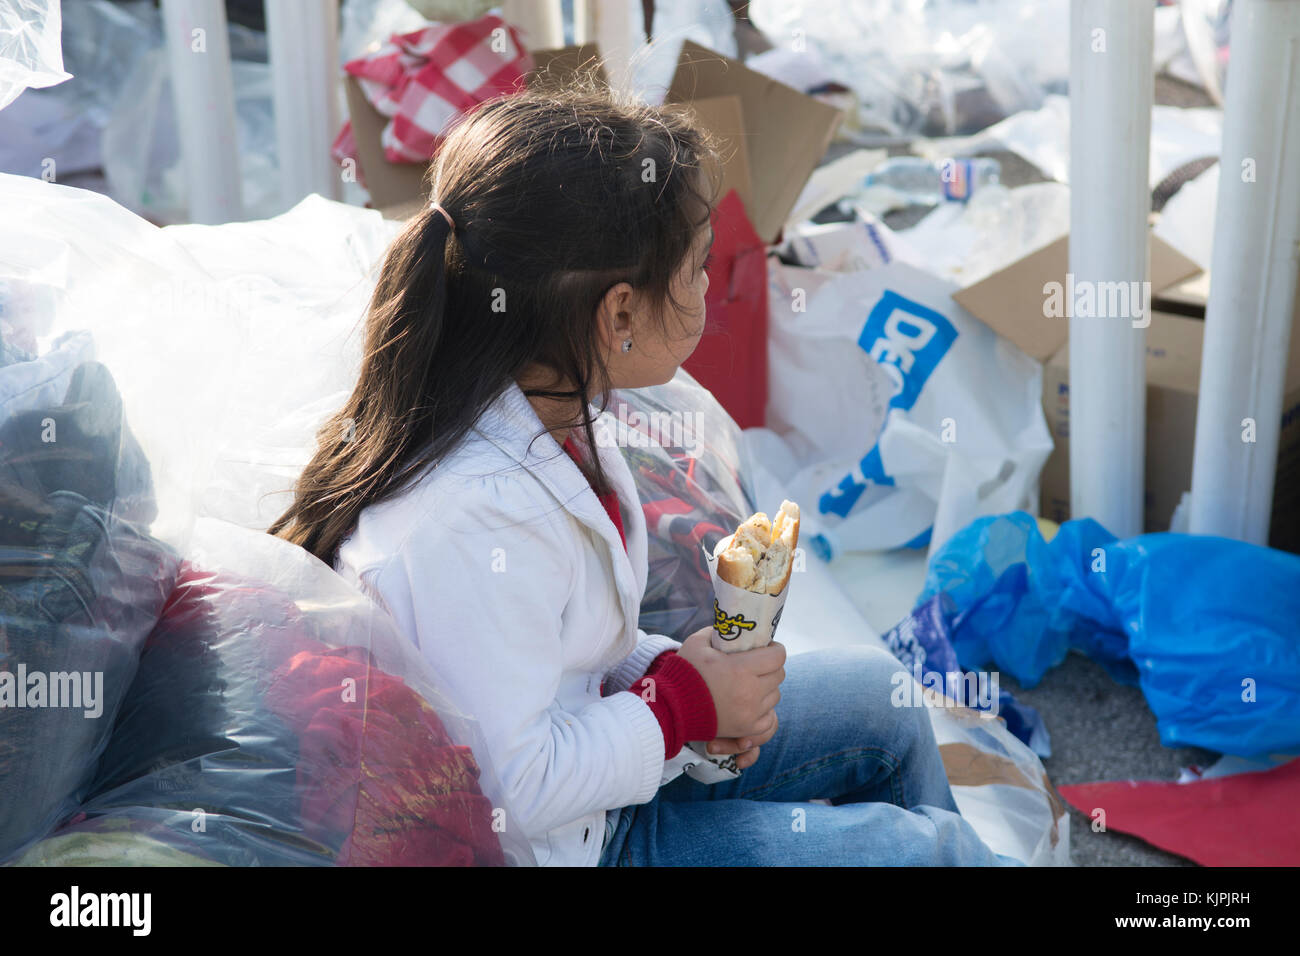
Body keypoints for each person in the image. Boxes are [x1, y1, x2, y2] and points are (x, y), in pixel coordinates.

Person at [270, 80, 1021, 867]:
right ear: (619, 314)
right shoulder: (474, 516)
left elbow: (571, 654)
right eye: (696, 268)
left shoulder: (553, 410)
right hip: (559, 847)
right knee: (917, 851)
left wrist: (661, 668)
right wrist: (685, 703)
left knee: (880, 702)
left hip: (603, 782)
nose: (706, 287)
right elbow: (514, 786)